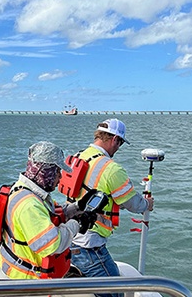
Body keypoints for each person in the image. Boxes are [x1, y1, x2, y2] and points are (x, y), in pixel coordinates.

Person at [68, 118, 154, 297]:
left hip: (69, 236)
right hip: (90, 246)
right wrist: (147, 204)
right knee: (115, 292)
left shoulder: (78, 156)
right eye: (120, 143)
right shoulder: (111, 169)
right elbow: (132, 203)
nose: (118, 148)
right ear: (115, 139)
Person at [0, 141, 96, 279]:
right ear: (45, 172)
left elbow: (53, 213)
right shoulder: (29, 205)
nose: (60, 177)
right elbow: (52, 245)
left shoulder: (29, 190)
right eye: (57, 172)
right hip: (21, 279)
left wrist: (78, 207)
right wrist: (76, 224)